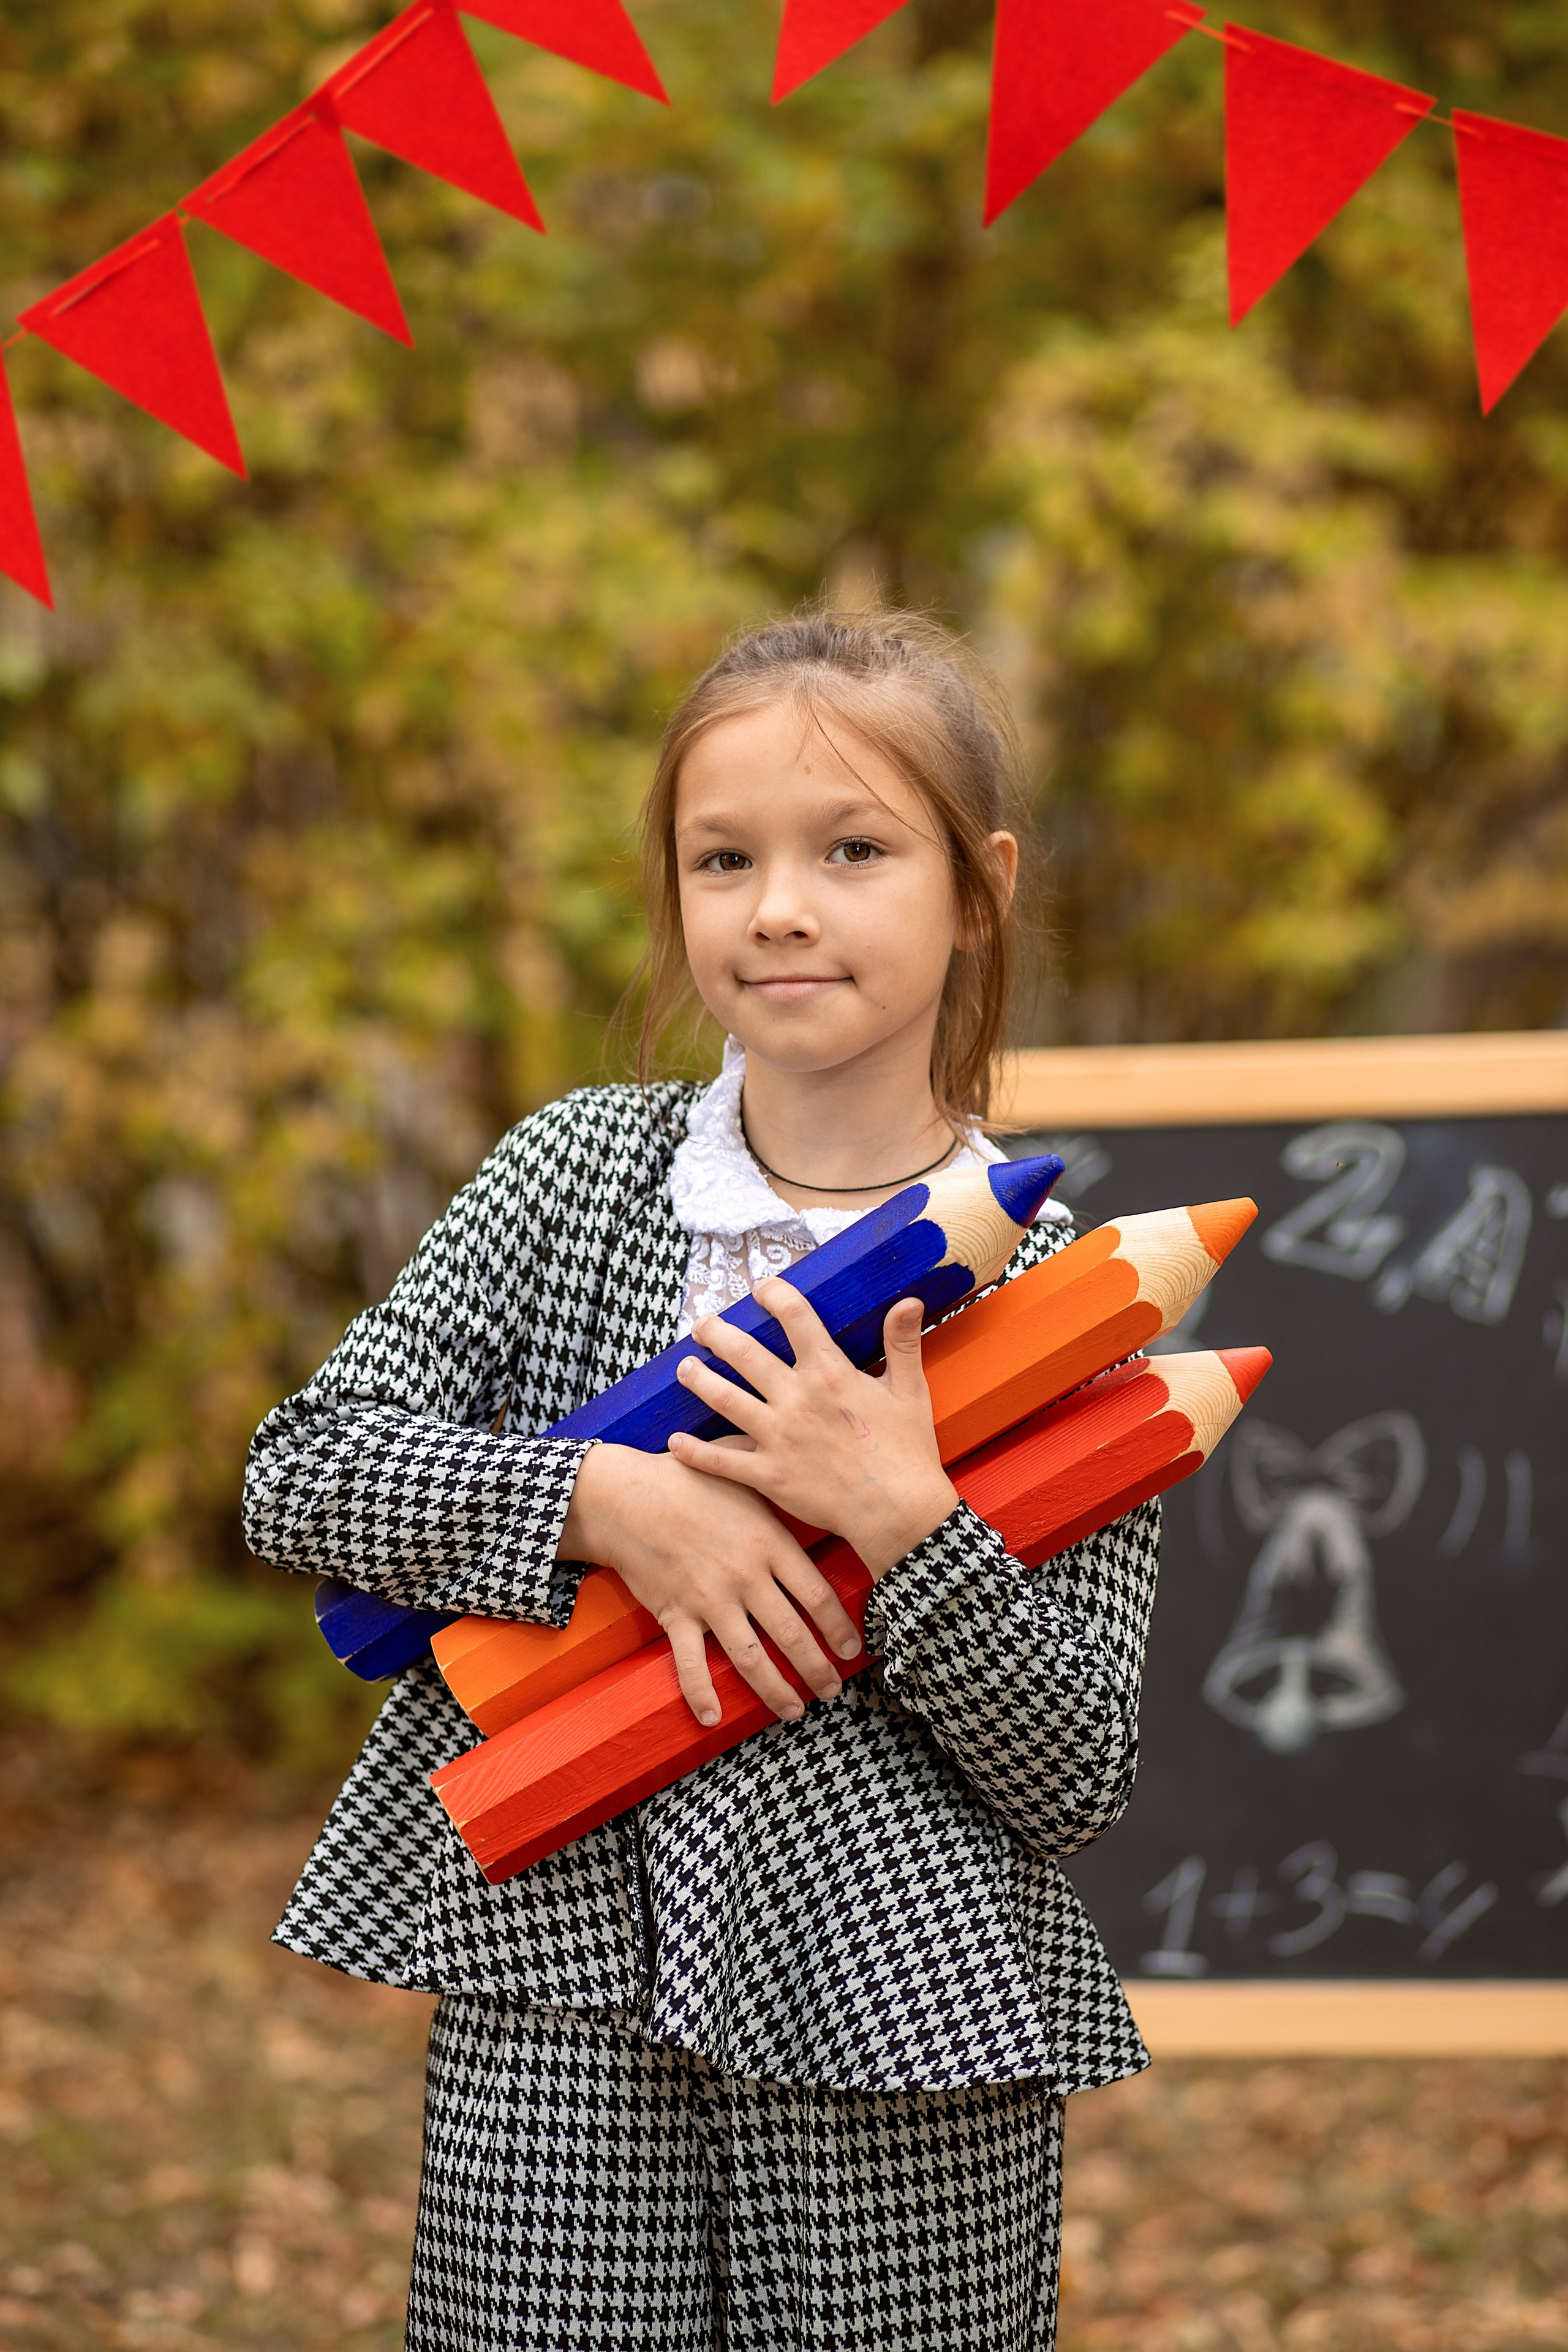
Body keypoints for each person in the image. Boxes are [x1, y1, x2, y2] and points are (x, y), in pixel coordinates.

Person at [242, 609, 1159, 2352]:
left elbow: (1077, 1772)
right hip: (559, 1977)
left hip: (905, 2015)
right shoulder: (577, 1179)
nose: (779, 906)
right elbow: (306, 1472)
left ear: (981, 889)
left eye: (855, 850)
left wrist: (912, 1523)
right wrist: (602, 1503)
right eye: (721, 857)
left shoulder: (1064, 1298)